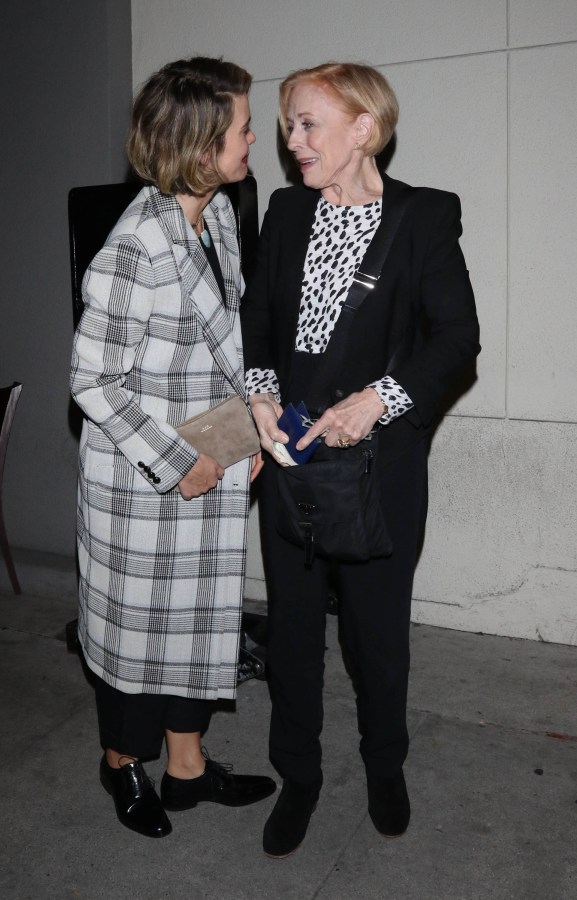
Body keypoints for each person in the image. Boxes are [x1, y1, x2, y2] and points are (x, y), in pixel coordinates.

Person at [241, 62, 480, 858]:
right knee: (294, 636)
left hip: (380, 473)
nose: (291, 140)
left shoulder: (421, 218)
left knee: (377, 639)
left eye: (308, 124)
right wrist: (261, 392)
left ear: (362, 130)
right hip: (293, 464)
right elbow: (258, 317)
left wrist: (382, 398)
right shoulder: (283, 212)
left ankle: (385, 767)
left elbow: (455, 341)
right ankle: (298, 777)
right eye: (287, 125)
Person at [70, 56, 275, 840]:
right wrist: (178, 460)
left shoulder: (216, 216)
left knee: (199, 628)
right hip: (142, 483)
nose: (254, 137)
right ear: (198, 151)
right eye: (242, 128)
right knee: (134, 643)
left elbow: (219, 353)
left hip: (209, 460)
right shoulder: (133, 249)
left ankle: (186, 770)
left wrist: (245, 430)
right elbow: (92, 380)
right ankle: (121, 763)